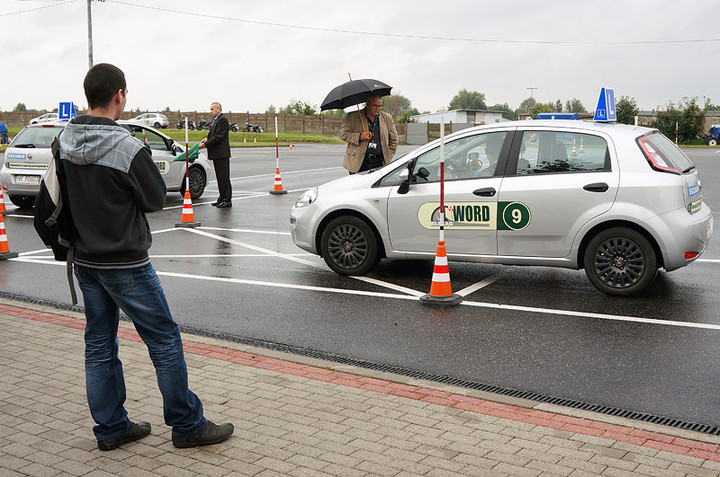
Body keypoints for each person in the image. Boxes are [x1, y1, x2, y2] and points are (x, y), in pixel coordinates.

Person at [56, 63, 234, 451]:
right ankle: (187, 425)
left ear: (89, 96)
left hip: (85, 261)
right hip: (126, 263)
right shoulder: (127, 146)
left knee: (99, 344)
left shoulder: (63, 141)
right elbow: (155, 199)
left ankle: (111, 428)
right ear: (119, 94)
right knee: (164, 340)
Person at [339, 93, 398, 174]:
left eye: (380, 106)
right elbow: (343, 134)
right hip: (358, 163)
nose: (378, 109)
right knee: (358, 186)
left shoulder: (387, 118)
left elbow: (394, 139)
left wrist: (389, 154)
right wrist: (359, 136)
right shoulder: (353, 116)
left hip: (379, 162)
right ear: (367, 104)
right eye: (375, 106)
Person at [199, 102, 232, 207]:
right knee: (219, 177)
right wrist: (207, 138)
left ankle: (227, 199)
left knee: (224, 177)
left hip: (221, 153)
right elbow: (214, 134)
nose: (211, 111)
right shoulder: (216, 120)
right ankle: (221, 197)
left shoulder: (222, 120)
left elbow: (219, 137)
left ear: (219, 109)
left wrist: (205, 145)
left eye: (213, 109)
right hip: (217, 154)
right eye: (210, 109)